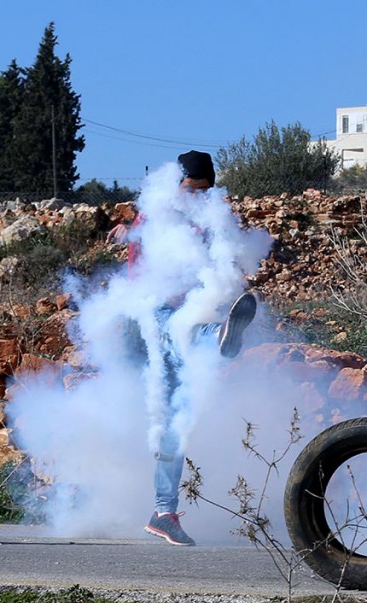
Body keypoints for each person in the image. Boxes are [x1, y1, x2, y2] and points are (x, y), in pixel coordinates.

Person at [109, 150, 257, 546]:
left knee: (174, 418)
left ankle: (163, 512)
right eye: (192, 189)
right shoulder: (155, 214)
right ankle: (218, 338)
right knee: (185, 333)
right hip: (153, 315)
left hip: (182, 313)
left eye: (204, 192)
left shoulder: (202, 220)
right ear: (177, 184)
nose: (198, 198)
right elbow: (140, 249)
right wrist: (129, 231)